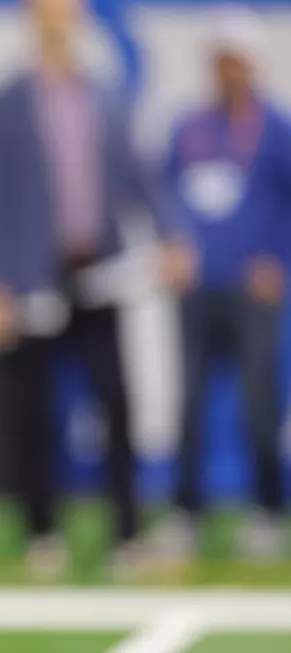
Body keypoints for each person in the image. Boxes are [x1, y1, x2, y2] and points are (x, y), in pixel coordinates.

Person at [0, 0, 181, 579]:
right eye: (47, 13)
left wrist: (169, 237)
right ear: (32, 21)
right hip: (34, 279)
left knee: (117, 402)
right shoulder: (5, 102)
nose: (58, 23)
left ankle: (127, 535)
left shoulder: (105, 97)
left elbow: (137, 176)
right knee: (34, 412)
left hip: (100, 273)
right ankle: (43, 533)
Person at [151, 5, 291, 562]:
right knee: (188, 403)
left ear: (251, 64)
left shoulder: (275, 129)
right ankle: (187, 512)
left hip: (251, 291)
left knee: (260, 403)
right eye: (219, 60)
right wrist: (172, 245)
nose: (227, 69)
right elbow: (163, 195)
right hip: (197, 289)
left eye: (236, 60)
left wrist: (276, 260)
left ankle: (268, 511)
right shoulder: (189, 127)